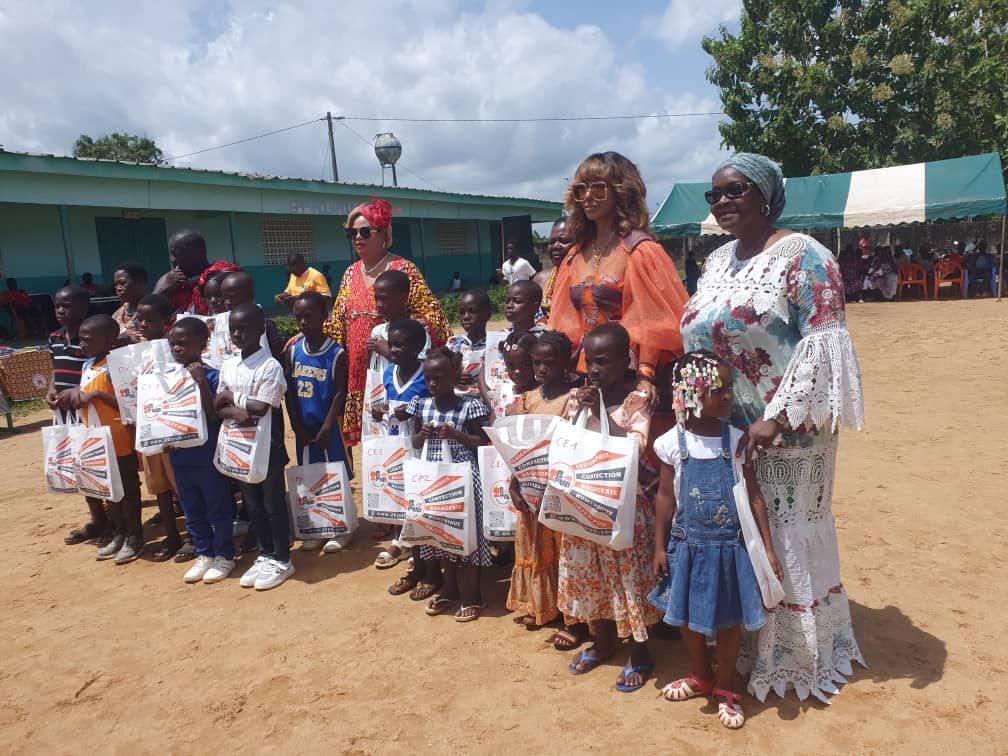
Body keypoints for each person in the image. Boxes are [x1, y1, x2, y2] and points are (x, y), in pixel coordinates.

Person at [683, 152, 865, 702]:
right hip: (725, 433)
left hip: (787, 432)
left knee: (782, 534)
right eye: (713, 195)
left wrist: (776, 417)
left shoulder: (805, 256)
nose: (722, 202)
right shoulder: (715, 261)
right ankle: (739, 648)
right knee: (741, 533)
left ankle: (795, 652)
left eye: (734, 191)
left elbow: (824, 344)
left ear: (765, 194)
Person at [649, 351, 783, 730]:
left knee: (728, 622)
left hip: (729, 549)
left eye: (729, 389)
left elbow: (754, 495)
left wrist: (768, 549)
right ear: (689, 393)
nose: (727, 397)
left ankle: (725, 686)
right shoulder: (671, 443)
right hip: (686, 547)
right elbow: (664, 497)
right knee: (686, 617)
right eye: (716, 390)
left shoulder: (736, 441)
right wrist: (660, 547)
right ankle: (700, 674)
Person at [561, 323, 659, 692]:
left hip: (623, 508)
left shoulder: (637, 400)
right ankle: (602, 640)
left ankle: (640, 652)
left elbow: (633, 448)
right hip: (583, 505)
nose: (596, 369)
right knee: (589, 576)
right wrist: (584, 409)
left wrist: (600, 413)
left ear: (625, 361)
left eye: (604, 361)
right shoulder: (577, 398)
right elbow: (566, 441)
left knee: (626, 579)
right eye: (590, 361)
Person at [548, 151, 688, 387]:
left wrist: (645, 376)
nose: (588, 196)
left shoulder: (640, 251)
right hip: (583, 375)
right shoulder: (574, 254)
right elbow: (564, 324)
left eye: (599, 188)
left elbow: (655, 324)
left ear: (621, 193)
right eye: (581, 190)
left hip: (629, 377)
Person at [323, 198, 452, 448]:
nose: (357, 238)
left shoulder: (403, 269)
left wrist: (394, 343)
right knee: (372, 445)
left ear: (383, 233)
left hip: (395, 372)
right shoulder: (350, 273)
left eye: (365, 231)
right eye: (352, 233)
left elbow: (434, 319)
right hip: (358, 375)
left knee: (401, 439)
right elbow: (337, 321)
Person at [406, 347, 492, 622]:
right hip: (433, 479)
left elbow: (483, 443)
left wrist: (457, 435)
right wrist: (421, 435)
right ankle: (450, 590)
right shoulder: (422, 404)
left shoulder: (470, 405)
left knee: (464, 535)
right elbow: (416, 444)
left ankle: (472, 596)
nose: (433, 384)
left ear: (455, 375)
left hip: (464, 479)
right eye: (429, 378)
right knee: (443, 537)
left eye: (439, 378)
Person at [215, 303, 293, 591]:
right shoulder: (229, 365)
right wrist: (235, 411)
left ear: (260, 330)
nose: (237, 334)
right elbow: (218, 406)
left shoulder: (269, 366)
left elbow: (262, 406)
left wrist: (231, 398)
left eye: (244, 329)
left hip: (266, 446)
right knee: (253, 504)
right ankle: (265, 553)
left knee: (273, 503)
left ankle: (283, 558)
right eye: (233, 329)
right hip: (238, 446)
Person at [506, 331, 572, 634]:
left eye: (549, 362)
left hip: (559, 489)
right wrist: (514, 484)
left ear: (565, 363)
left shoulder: (574, 400)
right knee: (535, 548)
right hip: (529, 488)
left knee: (562, 550)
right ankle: (540, 606)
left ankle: (570, 612)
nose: (541, 369)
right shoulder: (527, 401)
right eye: (537, 362)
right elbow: (516, 447)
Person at [164, 317, 236, 584]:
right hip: (179, 456)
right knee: (191, 508)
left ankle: (225, 554)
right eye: (173, 344)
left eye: (183, 343)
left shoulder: (213, 376)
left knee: (217, 507)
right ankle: (204, 552)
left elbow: (214, 415)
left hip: (207, 456)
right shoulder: (166, 377)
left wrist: (201, 382)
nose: (177, 349)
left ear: (202, 345)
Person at [69, 315, 144, 564]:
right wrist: (72, 395)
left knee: (128, 491)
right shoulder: (88, 365)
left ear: (108, 340)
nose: (81, 343)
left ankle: (134, 536)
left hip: (118, 439)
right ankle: (119, 533)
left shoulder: (116, 367)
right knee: (110, 490)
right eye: (80, 338)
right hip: (95, 440)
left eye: (87, 339)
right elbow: (85, 394)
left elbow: (128, 403)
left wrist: (98, 394)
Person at [284, 291, 352, 554]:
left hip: (328, 427)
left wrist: (326, 426)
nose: (303, 322)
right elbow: (289, 392)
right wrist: (296, 424)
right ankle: (317, 527)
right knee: (309, 475)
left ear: (324, 316)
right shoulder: (292, 351)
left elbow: (339, 392)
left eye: (308, 316)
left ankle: (343, 528)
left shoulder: (335, 353)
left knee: (335, 474)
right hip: (304, 426)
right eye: (298, 317)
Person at [47, 286, 108, 545]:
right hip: (64, 414)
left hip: (89, 411)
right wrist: (51, 389)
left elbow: (100, 371)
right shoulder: (53, 337)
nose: (61, 310)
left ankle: (116, 519)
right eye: (58, 305)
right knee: (78, 467)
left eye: (68, 305)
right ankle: (97, 518)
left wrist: (78, 390)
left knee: (99, 464)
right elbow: (55, 368)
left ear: (85, 307)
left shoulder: (90, 338)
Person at [374, 319, 435, 580]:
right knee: (397, 489)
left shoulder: (427, 375)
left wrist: (414, 411)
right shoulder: (388, 373)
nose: (393, 350)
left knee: (418, 491)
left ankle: (419, 540)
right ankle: (401, 538)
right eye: (391, 345)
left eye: (399, 345)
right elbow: (385, 404)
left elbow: (433, 407)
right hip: (394, 440)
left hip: (420, 442)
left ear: (418, 347)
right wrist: (379, 412)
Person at [134, 293, 185, 561]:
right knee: (159, 486)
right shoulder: (136, 353)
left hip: (173, 429)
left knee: (182, 484)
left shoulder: (174, 349)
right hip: (149, 428)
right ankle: (172, 536)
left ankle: (195, 536)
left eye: (149, 320)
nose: (142, 324)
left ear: (165, 321)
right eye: (139, 319)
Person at [154, 230, 237, 316]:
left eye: (178, 254)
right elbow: (148, 310)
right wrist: (163, 290)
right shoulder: (170, 280)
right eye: (171, 254)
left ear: (199, 252)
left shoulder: (222, 273)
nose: (172, 259)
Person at [220, 271, 285, 360]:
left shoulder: (265, 324)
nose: (227, 302)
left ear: (250, 295)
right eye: (224, 298)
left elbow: (278, 353)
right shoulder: (221, 325)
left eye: (232, 297)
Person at [446, 290, 491, 397]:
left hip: (484, 400)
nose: (466, 317)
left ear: (487, 315)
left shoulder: (494, 344)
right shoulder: (453, 343)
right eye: (462, 312)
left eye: (472, 311)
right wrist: (453, 378)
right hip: (456, 400)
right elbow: (442, 372)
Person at [534, 219, 573, 314]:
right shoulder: (540, 279)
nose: (556, 246)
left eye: (563, 241)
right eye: (551, 242)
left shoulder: (587, 280)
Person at [111, 263, 147, 342]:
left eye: (123, 283)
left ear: (140, 282)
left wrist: (130, 339)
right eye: (116, 284)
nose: (118, 288)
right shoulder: (117, 315)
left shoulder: (154, 310)